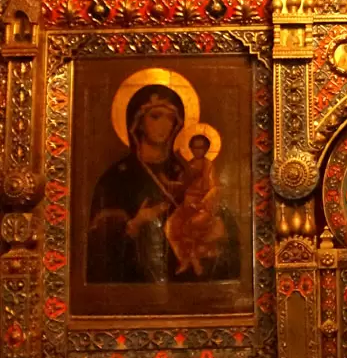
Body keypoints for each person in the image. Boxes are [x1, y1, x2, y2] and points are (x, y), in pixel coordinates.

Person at [87, 85, 239, 283]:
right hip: (135, 289)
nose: (164, 125)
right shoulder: (116, 178)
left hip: (187, 290)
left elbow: (229, 240)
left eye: (170, 119)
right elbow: (99, 250)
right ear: (138, 123)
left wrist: (215, 227)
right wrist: (135, 224)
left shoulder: (188, 172)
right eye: (156, 116)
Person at [165, 134, 225, 276]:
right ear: (190, 148)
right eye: (195, 147)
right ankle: (184, 258)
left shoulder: (208, 165)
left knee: (188, 227)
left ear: (206, 149)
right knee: (170, 226)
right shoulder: (189, 165)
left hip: (202, 207)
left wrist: (202, 203)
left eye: (201, 147)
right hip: (187, 206)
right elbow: (183, 185)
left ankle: (193, 262)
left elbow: (214, 188)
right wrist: (172, 185)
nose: (198, 150)